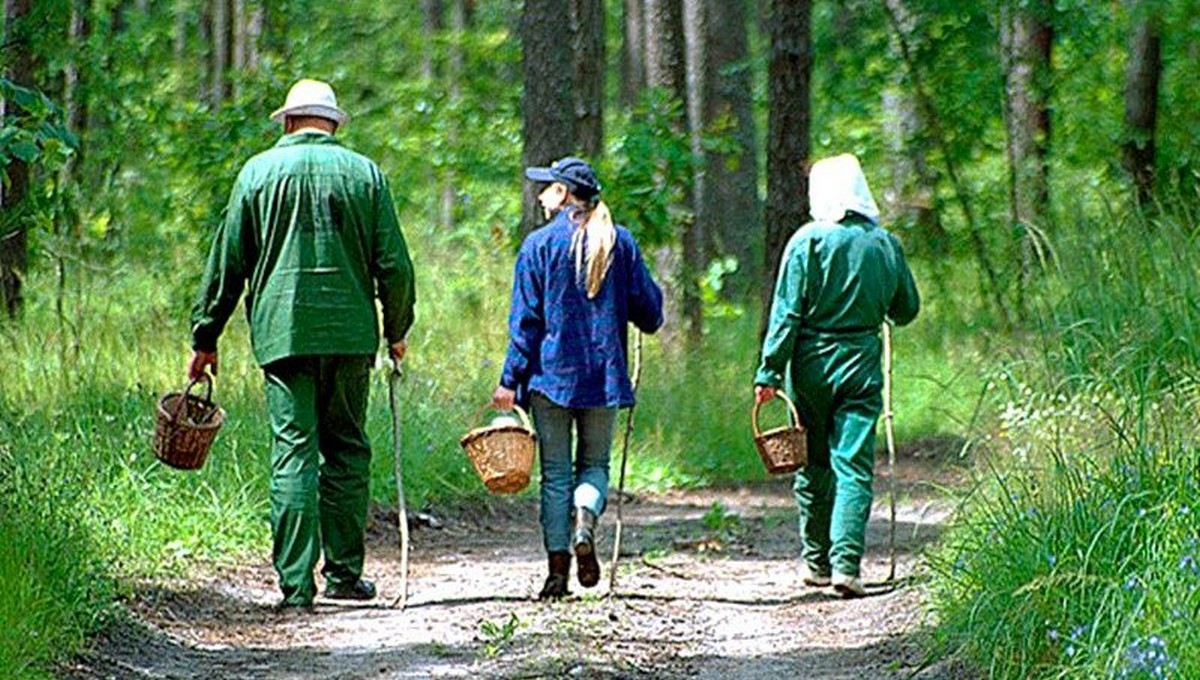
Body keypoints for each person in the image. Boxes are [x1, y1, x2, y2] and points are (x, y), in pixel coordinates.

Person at [188, 78, 416, 609]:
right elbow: (395, 266)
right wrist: (397, 329)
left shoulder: (256, 174)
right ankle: (343, 574)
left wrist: (206, 335)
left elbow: (228, 263)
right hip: (352, 334)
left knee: (293, 451)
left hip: (283, 334)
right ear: (333, 124)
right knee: (346, 449)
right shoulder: (367, 174)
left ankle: (296, 586)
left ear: (288, 122)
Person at [491, 156, 663, 599]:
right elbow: (652, 313)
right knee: (594, 466)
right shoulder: (619, 243)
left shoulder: (538, 246)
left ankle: (556, 574)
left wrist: (509, 379)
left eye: (548, 186)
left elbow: (525, 323)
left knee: (555, 475)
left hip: (550, 379)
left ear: (565, 194)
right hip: (603, 378)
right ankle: (585, 521)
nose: (541, 192)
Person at [753, 153, 919, 599]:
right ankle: (848, 566)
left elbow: (787, 313)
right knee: (854, 465)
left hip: (809, 366)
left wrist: (768, 370)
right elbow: (907, 310)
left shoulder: (807, 241)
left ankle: (817, 562)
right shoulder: (885, 244)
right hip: (862, 364)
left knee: (812, 460)